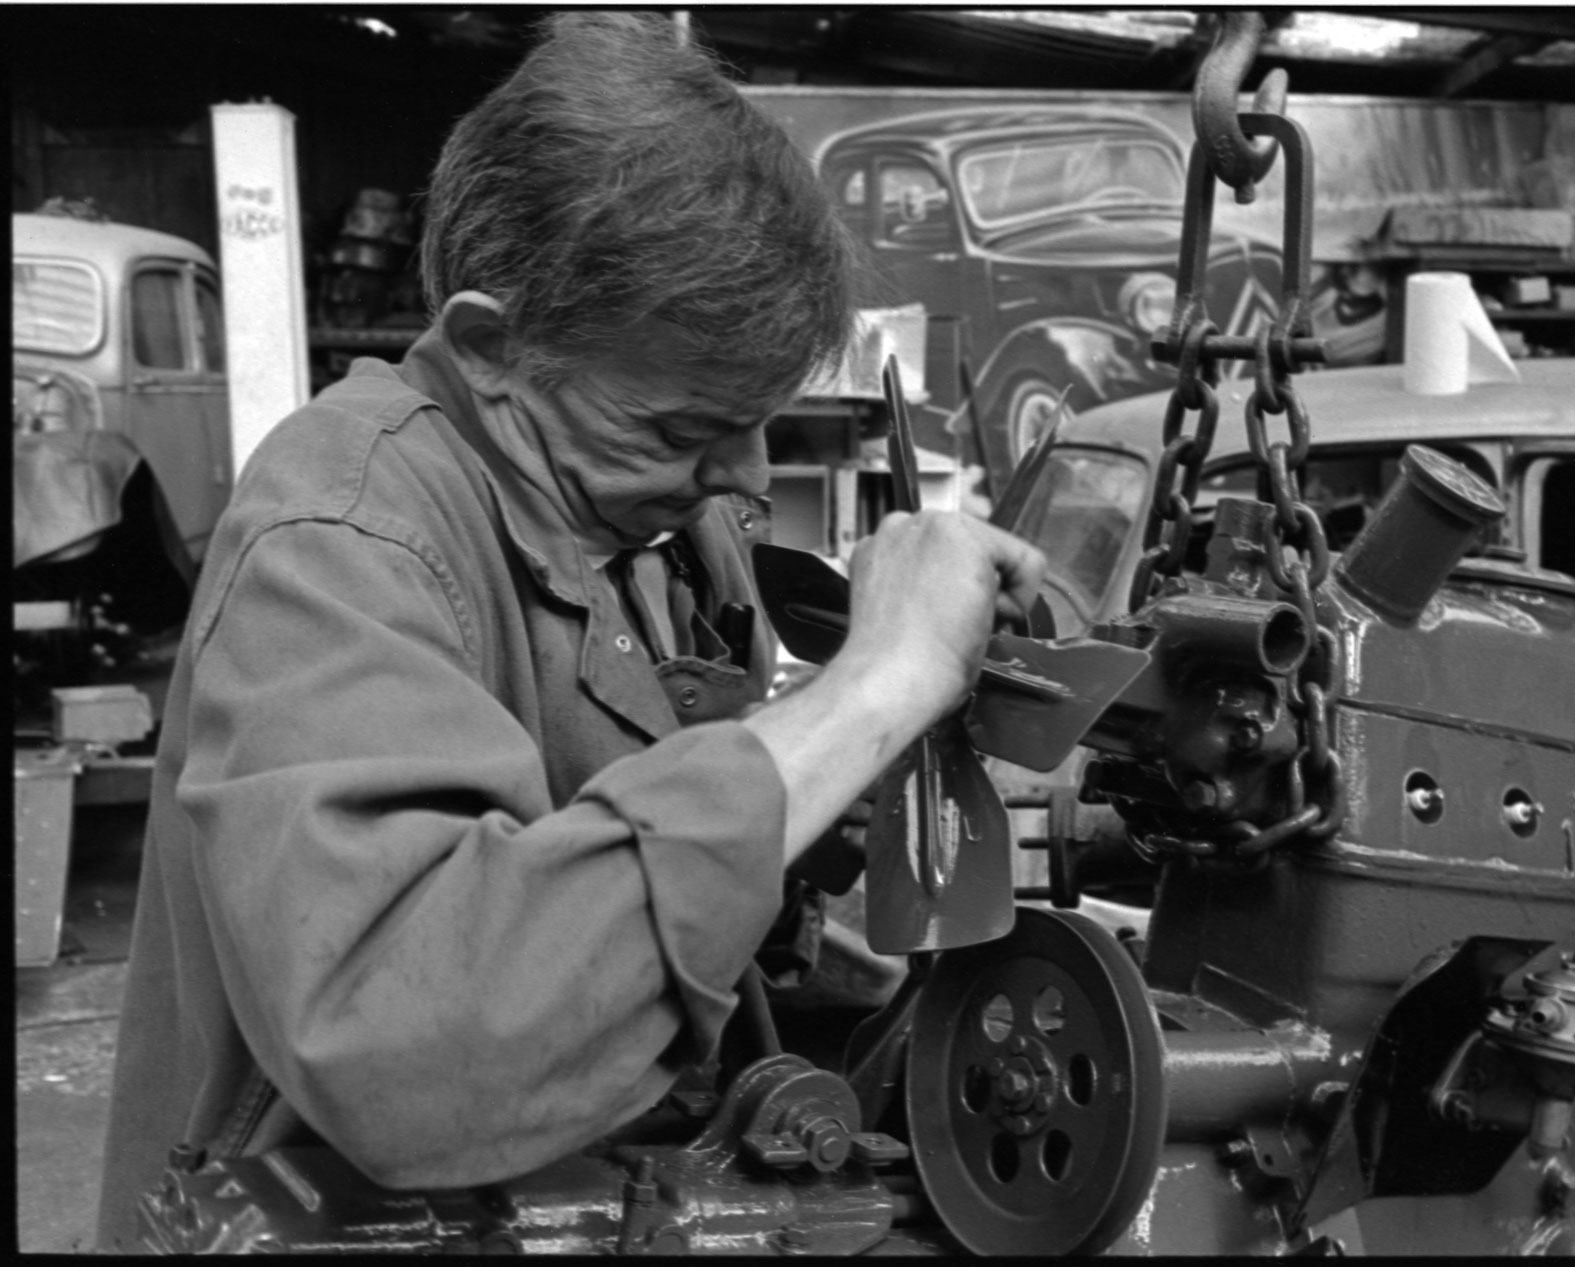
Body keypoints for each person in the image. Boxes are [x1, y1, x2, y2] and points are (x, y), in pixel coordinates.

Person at [95, 13, 1043, 1250]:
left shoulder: (652, 520)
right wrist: (869, 689)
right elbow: (406, 1048)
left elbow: (613, 826)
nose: (742, 475)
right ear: (493, 348)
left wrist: (804, 863)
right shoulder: (343, 537)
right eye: (676, 428)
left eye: (756, 422)